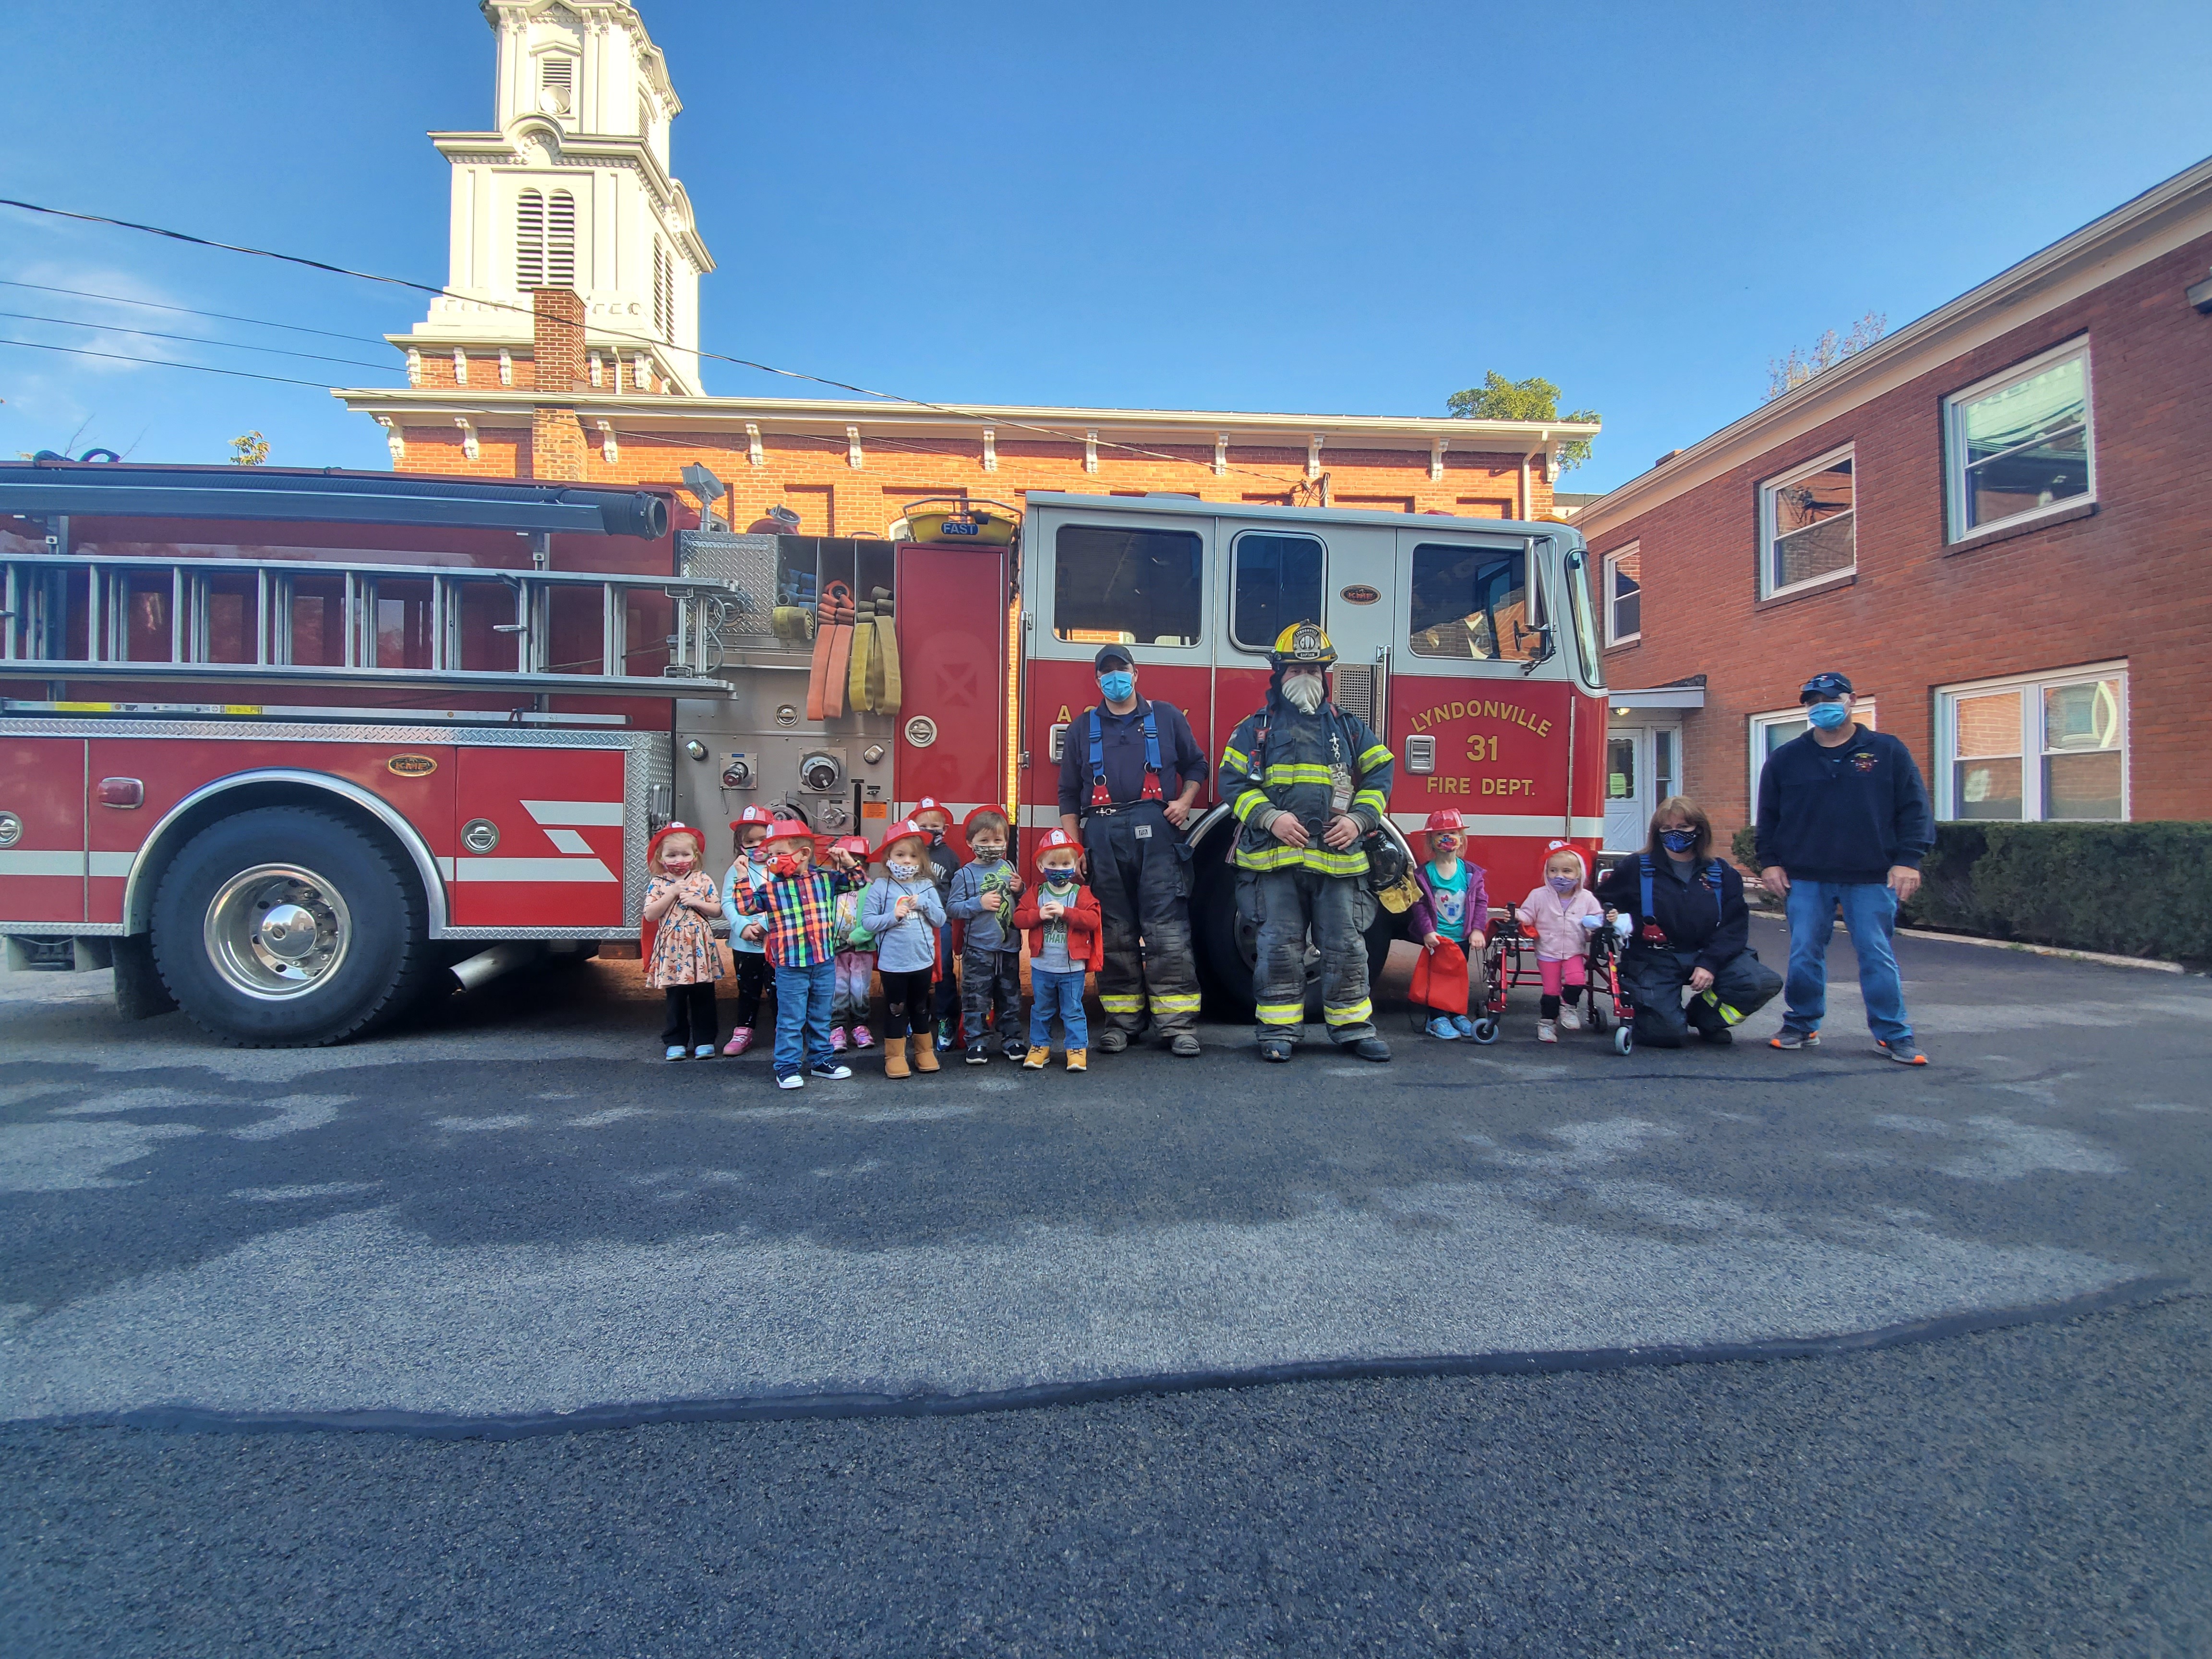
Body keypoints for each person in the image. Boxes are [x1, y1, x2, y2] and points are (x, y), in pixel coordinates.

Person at [1216, 621, 1396, 1063]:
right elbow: (1232, 782)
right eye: (1296, 669)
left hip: (1338, 861)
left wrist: (1358, 820)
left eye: (1314, 670)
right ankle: (1278, 1031)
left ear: (1326, 677)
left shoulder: (1348, 728)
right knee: (1278, 945)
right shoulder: (1253, 729)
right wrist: (1270, 817)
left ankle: (1354, 1028)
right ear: (1278, 675)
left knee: (1347, 946)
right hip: (1273, 861)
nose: (1305, 678)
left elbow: (1380, 774)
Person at [1756, 671, 1936, 1064]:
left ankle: (1893, 1034)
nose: (1821, 706)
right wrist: (1769, 862)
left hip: (1871, 876)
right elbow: (1768, 817)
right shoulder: (1787, 759)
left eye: (1830, 698)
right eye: (1812, 700)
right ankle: (1802, 1024)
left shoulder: (1887, 751)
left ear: (1852, 699)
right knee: (1804, 953)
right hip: (1806, 877)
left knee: (1876, 954)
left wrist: (1909, 860)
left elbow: (1914, 809)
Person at [1057, 644, 1209, 1057]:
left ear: (1135, 673)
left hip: (1157, 831)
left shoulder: (1166, 717)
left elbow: (1198, 766)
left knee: (1168, 932)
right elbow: (1069, 794)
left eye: (1121, 669)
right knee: (1114, 932)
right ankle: (1122, 1023)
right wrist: (1074, 847)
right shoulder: (1082, 727)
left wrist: (1184, 802)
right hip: (1102, 835)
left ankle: (1178, 1025)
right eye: (1106, 673)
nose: (1115, 678)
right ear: (1097, 681)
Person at [1596, 797, 1782, 1048]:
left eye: (1683, 827)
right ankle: (1671, 1020)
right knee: (1666, 1035)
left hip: (1707, 953)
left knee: (1760, 982)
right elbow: (1602, 903)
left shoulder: (1722, 872)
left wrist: (1710, 964)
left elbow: (1734, 927)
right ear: (1657, 832)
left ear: (1699, 829)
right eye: (1667, 828)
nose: (1675, 834)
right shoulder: (1635, 867)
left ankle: (1706, 1019)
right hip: (1654, 958)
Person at [729, 817, 863, 1089]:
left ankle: (821, 1060)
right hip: (790, 964)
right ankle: (787, 1066)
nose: (773, 860)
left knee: (821, 1014)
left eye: (780, 854)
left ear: (803, 854)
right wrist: (742, 877)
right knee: (791, 1019)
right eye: (771, 855)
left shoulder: (825, 879)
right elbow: (745, 908)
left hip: (823, 961)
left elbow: (857, 882)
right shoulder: (771, 889)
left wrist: (848, 861)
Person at [860, 818, 945, 1079]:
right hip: (893, 963)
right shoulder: (880, 888)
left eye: (913, 856)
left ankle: (924, 1051)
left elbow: (940, 919)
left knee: (921, 1007)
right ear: (888, 857)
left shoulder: (927, 886)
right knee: (896, 1007)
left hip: (922, 961)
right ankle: (895, 1055)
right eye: (900, 855)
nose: (907, 861)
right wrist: (893, 916)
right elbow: (868, 922)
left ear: (921, 860)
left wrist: (925, 905)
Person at [1013, 827, 1103, 1071]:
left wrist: (1067, 913)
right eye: (1053, 862)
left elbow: (1093, 920)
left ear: (1075, 865)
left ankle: (1077, 1049)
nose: (1060, 868)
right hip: (1042, 966)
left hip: (1072, 968)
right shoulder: (1036, 892)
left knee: (1073, 1010)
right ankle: (1040, 1047)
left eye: (1066, 863)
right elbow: (1019, 918)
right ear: (1041, 866)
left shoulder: (1081, 893)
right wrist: (1037, 915)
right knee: (1041, 1009)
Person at [948, 805, 1025, 1063]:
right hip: (978, 948)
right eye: (984, 841)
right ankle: (976, 1042)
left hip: (1009, 947)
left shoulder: (1008, 866)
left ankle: (1012, 1039)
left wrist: (1020, 889)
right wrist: (977, 904)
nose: (991, 845)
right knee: (976, 997)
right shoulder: (965, 874)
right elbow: (953, 908)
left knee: (1010, 996)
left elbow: (1022, 903)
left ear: (1005, 842)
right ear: (971, 842)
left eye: (997, 840)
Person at [640, 822, 723, 1061]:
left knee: (704, 994)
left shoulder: (703, 879)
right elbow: (650, 914)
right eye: (672, 855)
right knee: (676, 996)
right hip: (673, 946)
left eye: (685, 854)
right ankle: (676, 1040)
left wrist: (697, 902)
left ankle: (705, 1040)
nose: (679, 860)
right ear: (661, 857)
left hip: (699, 945)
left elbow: (717, 910)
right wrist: (672, 893)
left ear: (695, 856)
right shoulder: (658, 883)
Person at [1404, 807, 1488, 1040]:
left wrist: (1478, 929)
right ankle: (1437, 1018)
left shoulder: (1470, 873)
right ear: (1431, 841)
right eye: (1440, 834)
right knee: (1437, 978)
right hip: (1439, 937)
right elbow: (1419, 905)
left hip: (1462, 936)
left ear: (1462, 839)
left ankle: (1456, 1013)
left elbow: (1481, 901)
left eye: (1452, 833)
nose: (1447, 838)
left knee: (1458, 977)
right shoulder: (1425, 874)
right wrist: (1428, 932)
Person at [1519, 840, 1603, 1044]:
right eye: (1553, 871)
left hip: (1574, 950)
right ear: (1546, 873)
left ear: (1579, 874)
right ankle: (1547, 1024)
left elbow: (1597, 916)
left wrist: (1602, 921)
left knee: (1577, 980)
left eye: (1567, 871)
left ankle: (1569, 1007)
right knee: (1551, 991)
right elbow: (1528, 915)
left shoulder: (1587, 898)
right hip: (1547, 951)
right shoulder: (1538, 895)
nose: (1560, 876)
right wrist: (1517, 916)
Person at [719, 805, 776, 1056]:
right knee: (747, 990)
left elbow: (785, 900)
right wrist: (742, 926)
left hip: (776, 943)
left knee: (779, 990)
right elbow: (727, 902)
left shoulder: (781, 870)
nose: (756, 846)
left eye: (763, 839)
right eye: (749, 841)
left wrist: (764, 925)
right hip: (743, 945)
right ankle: (743, 1030)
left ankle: (785, 1033)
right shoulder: (736, 870)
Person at [911, 795, 962, 1052]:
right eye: (923, 826)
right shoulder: (909, 854)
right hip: (912, 921)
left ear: (945, 829)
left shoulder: (951, 857)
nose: (929, 831)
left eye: (935, 825)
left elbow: (956, 891)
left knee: (942, 970)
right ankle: (916, 1014)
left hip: (942, 922)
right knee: (913, 970)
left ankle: (946, 1018)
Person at [826, 834, 878, 1052]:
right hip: (836, 949)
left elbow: (876, 917)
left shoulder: (870, 887)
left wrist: (861, 935)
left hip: (861, 949)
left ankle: (860, 1026)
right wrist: (831, 935)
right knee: (837, 989)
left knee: (860, 989)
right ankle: (836, 1027)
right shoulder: (830, 886)